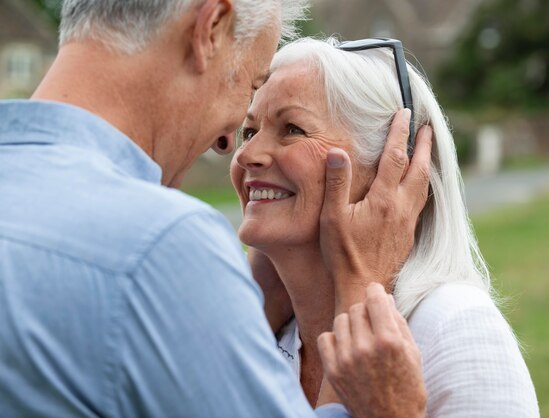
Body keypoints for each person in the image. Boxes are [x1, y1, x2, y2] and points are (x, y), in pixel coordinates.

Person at [0, 1, 433, 417]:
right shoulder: (159, 245)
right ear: (210, 29)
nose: (228, 144)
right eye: (248, 86)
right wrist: (363, 286)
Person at [230, 36, 541, 417]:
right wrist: (248, 314)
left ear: (392, 169)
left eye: (292, 128)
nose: (247, 155)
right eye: (249, 131)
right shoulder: (267, 333)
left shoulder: (451, 327)